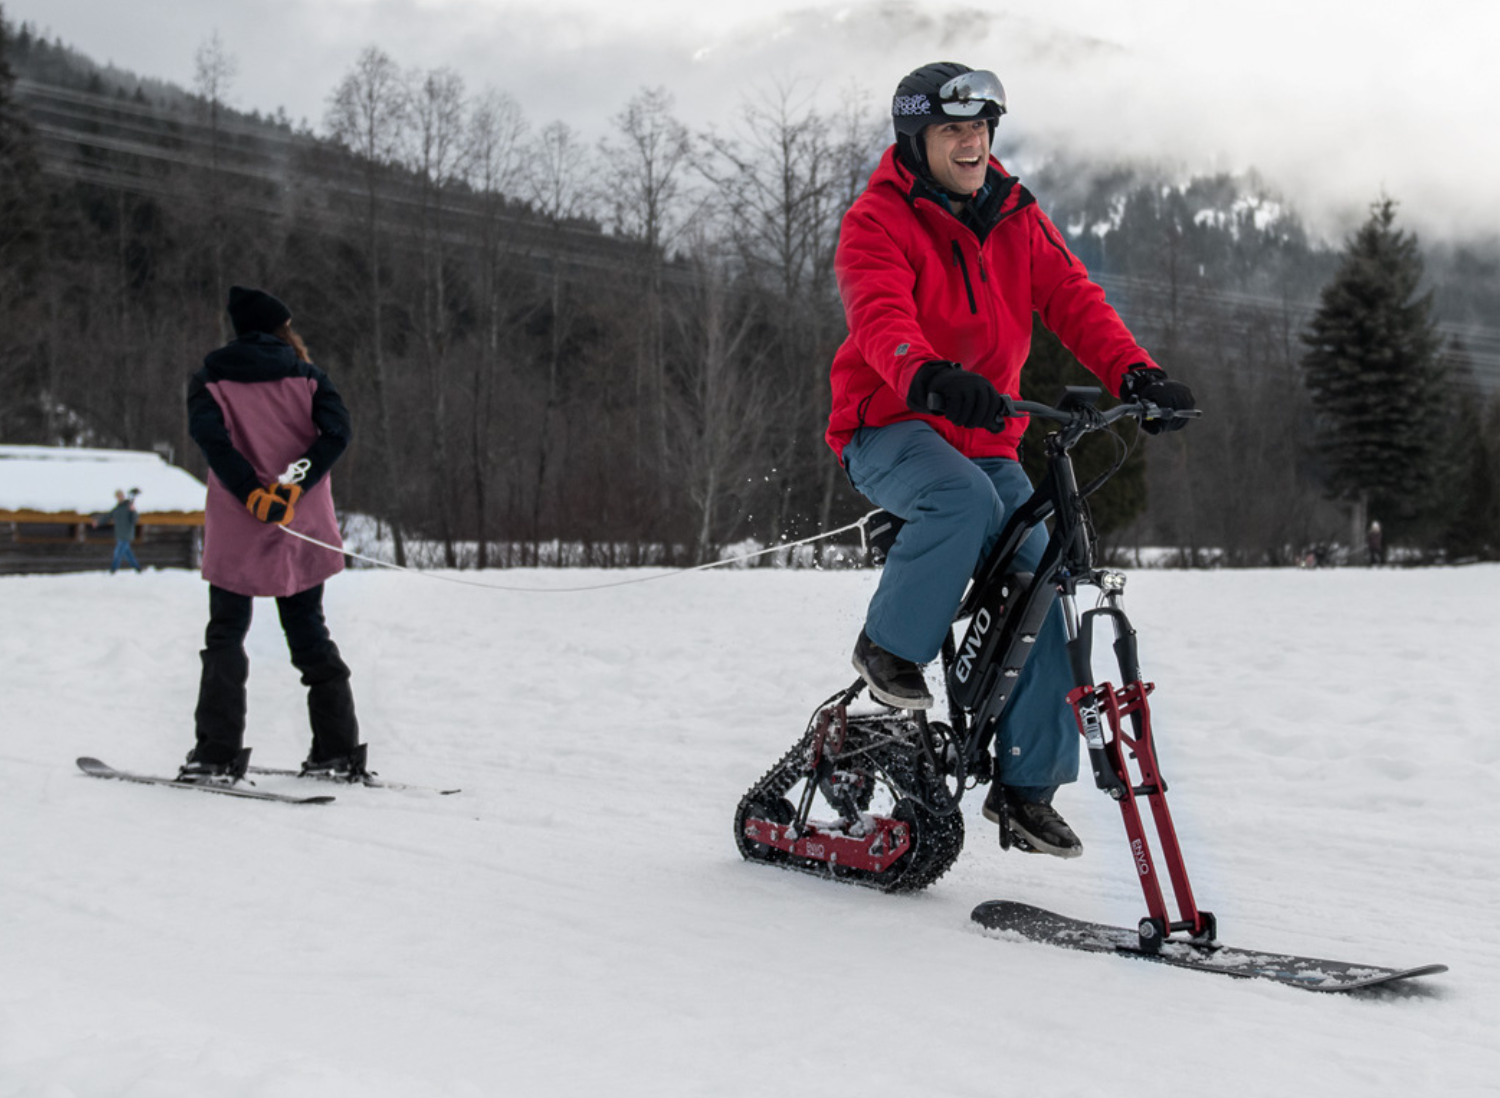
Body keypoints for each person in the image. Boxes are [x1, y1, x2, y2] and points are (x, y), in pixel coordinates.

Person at [826, 63, 1195, 858]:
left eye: (981, 128)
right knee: (960, 498)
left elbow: (1073, 298)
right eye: (953, 130)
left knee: (1044, 579)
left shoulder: (1014, 212)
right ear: (915, 140)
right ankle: (888, 646)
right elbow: (879, 314)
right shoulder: (876, 220)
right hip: (889, 424)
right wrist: (928, 376)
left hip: (986, 439)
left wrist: (1137, 375)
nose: (972, 144)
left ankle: (1026, 788)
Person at [179, 285, 367, 784]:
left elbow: (212, 442)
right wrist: (293, 485)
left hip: (237, 526)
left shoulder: (209, 379)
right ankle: (336, 751)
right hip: (300, 524)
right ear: (281, 328)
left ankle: (214, 754)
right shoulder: (309, 377)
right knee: (309, 634)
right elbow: (337, 434)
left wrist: (252, 493)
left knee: (226, 635)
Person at [93, 489, 142, 573]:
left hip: (126, 534)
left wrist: (133, 511)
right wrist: (98, 522)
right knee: (128, 554)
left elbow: (134, 520)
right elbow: (108, 516)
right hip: (119, 534)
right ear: (116, 497)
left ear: (123, 496)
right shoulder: (117, 508)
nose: (120, 497)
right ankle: (138, 569)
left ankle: (113, 570)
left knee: (118, 552)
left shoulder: (129, 506)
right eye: (118, 496)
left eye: (121, 495)